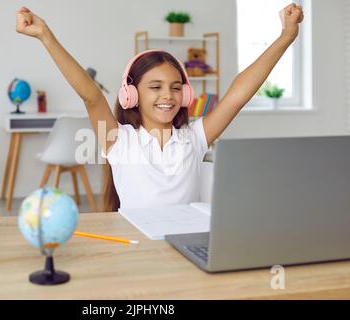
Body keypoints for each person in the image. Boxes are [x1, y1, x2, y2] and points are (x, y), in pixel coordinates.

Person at [15, 4, 304, 212]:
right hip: (139, 247)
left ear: (186, 94)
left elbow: (238, 96)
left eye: (176, 87)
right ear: (131, 94)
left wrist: (285, 38)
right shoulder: (119, 140)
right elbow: (91, 95)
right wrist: (45, 36)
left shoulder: (194, 137)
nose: (168, 95)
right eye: (155, 87)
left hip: (185, 244)